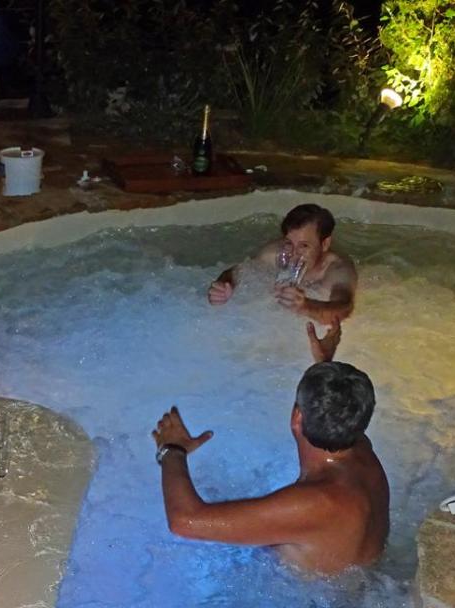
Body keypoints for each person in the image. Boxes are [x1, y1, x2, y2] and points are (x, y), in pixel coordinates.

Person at [151, 322, 389, 575]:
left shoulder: (317, 503)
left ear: (297, 417)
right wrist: (325, 366)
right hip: (357, 582)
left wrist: (172, 450)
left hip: (311, 599)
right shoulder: (361, 450)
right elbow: (339, 410)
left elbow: (184, 522)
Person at [207, 203, 357, 327]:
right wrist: (224, 285)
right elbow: (237, 271)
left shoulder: (337, 269)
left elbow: (344, 309)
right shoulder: (273, 254)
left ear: (325, 244)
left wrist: (306, 306)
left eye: (304, 246)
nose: (294, 253)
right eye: (289, 243)